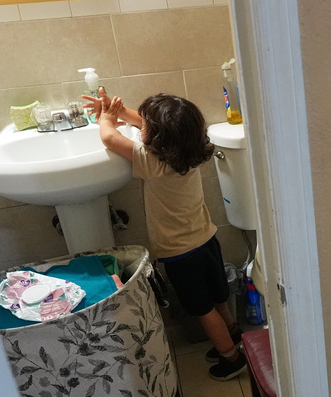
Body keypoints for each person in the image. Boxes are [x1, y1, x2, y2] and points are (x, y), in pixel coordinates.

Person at [84, 88, 246, 381]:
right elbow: (147, 126)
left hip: (180, 254)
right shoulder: (190, 153)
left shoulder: (151, 161)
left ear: (157, 139)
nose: (141, 127)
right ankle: (233, 337)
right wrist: (117, 110)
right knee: (218, 298)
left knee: (202, 310)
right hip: (207, 239)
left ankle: (231, 358)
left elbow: (109, 138)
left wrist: (107, 118)